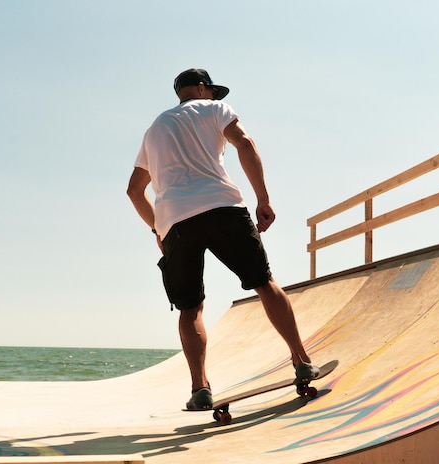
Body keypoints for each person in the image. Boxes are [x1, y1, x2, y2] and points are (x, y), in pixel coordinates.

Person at [127, 68, 319, 410]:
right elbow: (245, 143)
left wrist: (158, 229)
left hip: (175, 221)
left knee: (190, 308)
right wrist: (263, 198)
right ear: (202, 89)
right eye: (212, 91)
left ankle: (200, 388)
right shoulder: (214, 109)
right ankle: (301, 359)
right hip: (223, 206)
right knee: (264, 283)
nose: (215, 97)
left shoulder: (155, 129)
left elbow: (133, 190)